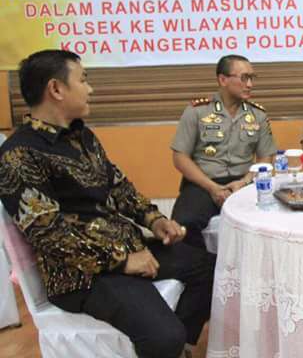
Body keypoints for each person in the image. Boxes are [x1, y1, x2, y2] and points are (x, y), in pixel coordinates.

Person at [0, 50, 214, 358]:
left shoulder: (82, 136)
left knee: (211, 269)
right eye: (83, 80)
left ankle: (181, 348)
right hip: (79, 275)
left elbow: (118, 186)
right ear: (56, 89)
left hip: (124, 247)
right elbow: (49, 234)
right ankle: (169, 345)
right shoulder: (18, 155)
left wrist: (154, 219)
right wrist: (122, 261)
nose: (90, 89)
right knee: (163, 335)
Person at [171, 54, 276, 249]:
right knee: (184, 224)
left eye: (252, 78)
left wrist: (245, 181)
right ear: (223, 79)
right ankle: (202, 267)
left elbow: (266, 157)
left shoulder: (258, 115)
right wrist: (213, 188)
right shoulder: (197, 111)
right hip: (203, 183)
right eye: (244, 78)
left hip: (244, 182)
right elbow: (180, 157)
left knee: (268, 221)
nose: (250, 84)